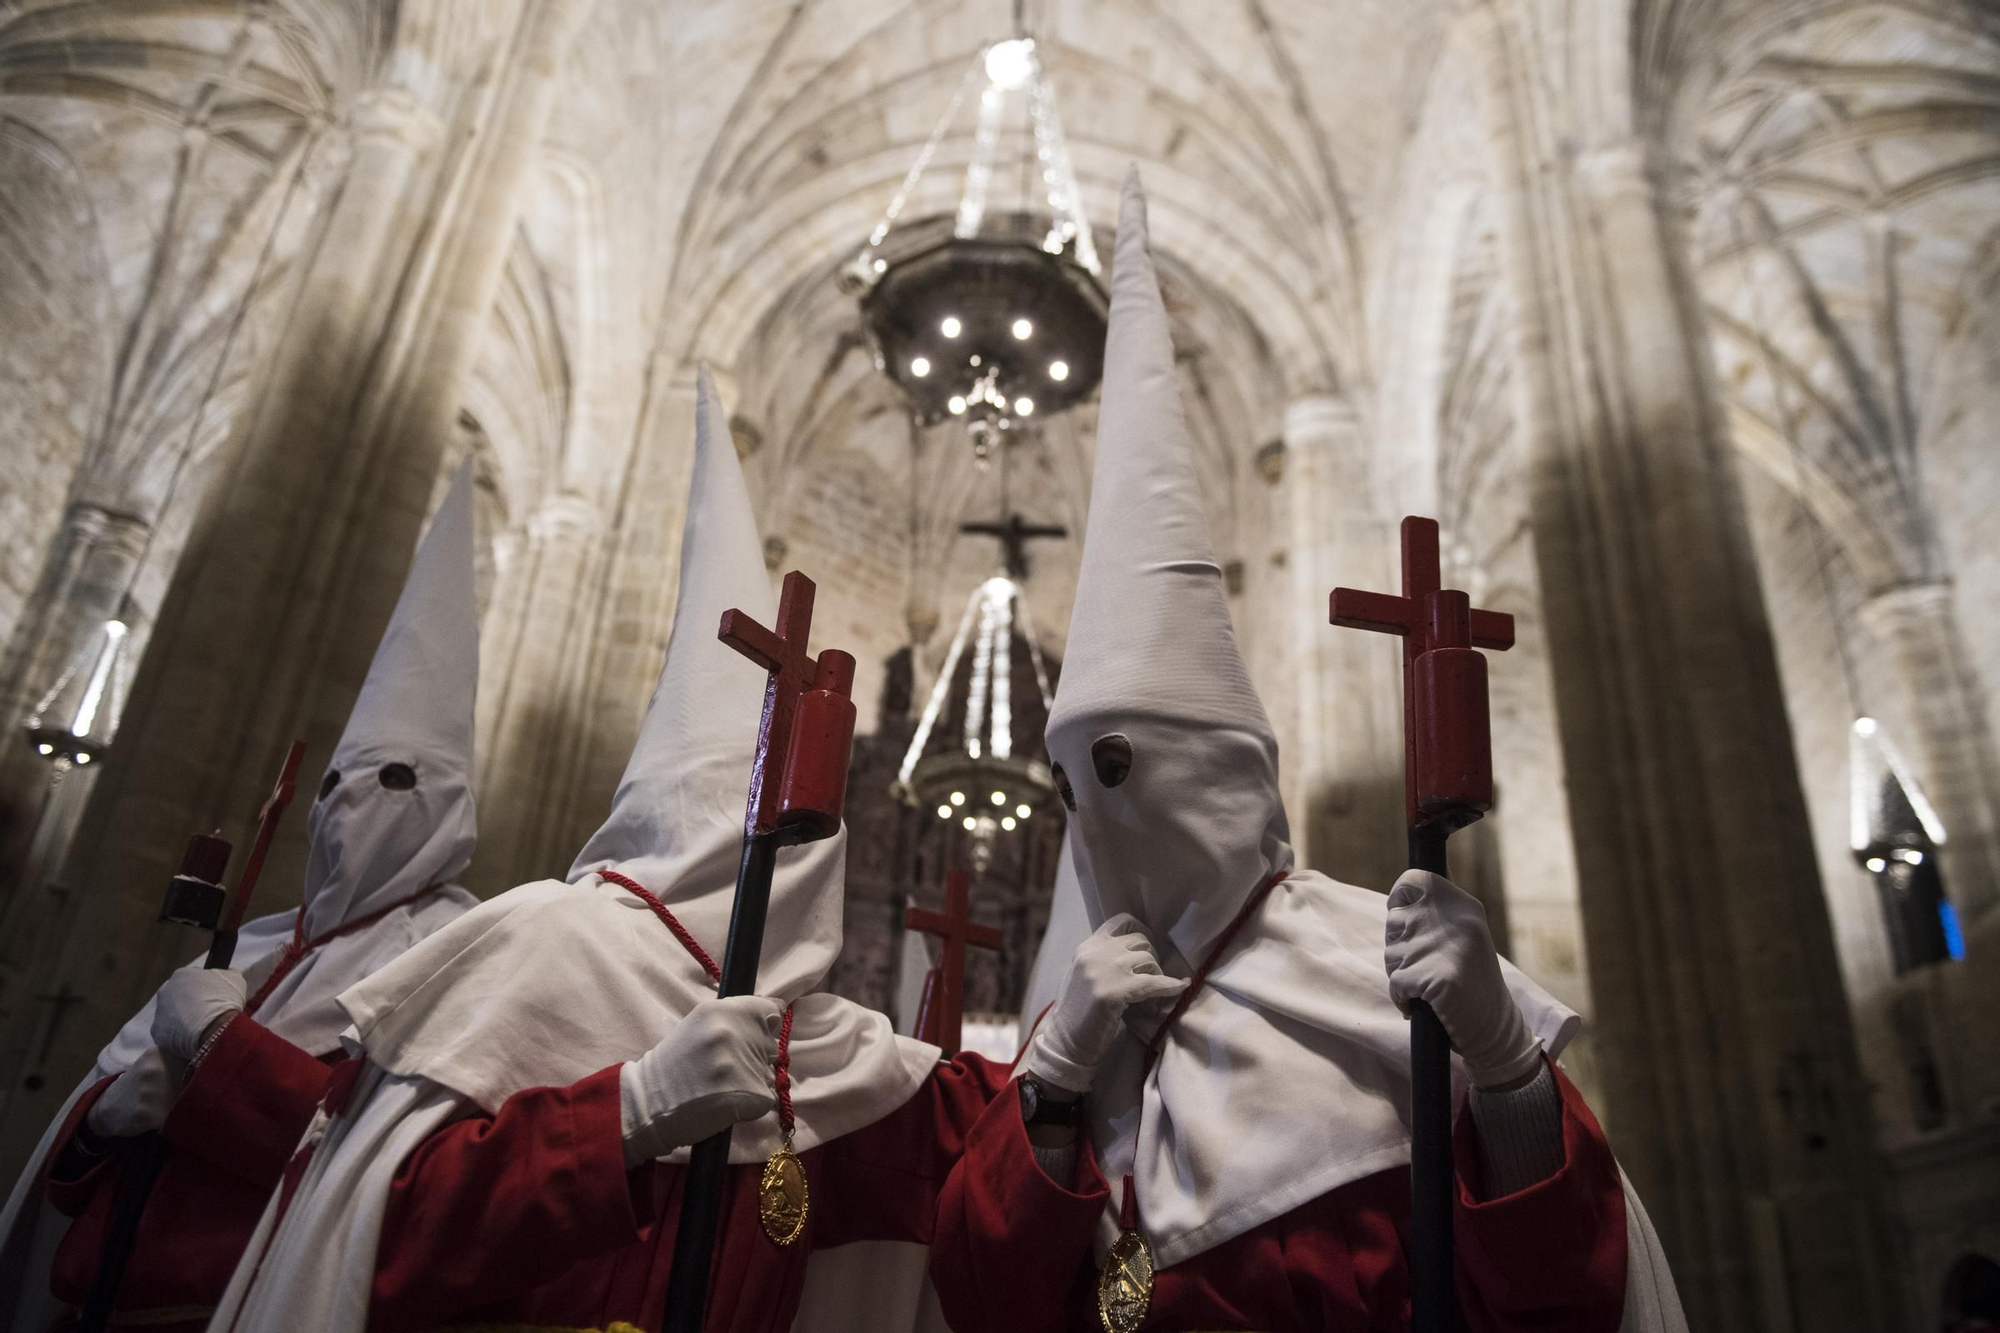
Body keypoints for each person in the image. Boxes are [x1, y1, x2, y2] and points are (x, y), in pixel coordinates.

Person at [928, 173, 1638, 1333]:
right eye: (1067, 785)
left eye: (1116, 767)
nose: (1093, 817)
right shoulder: (1085, 1008)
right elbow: (978, 1294)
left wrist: (1504, 1067)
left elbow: (1555, 1291)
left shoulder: (1374, 970)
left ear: (1215, 777)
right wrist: (1054, 1077)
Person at [211, 373, 1011, 1333]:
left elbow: (968, 1164)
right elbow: (383, 1230)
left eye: (812, 827)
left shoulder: (820, 1045)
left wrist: (1073, 1065)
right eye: (780, 820)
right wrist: (629, 1113)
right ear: (691, 810)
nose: (801, 851)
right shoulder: (538, 943)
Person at [0, 466, 486, 1333]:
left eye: (397, 781)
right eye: (334, 782)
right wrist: (100, 1125)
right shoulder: (252, 945)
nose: (347, 804)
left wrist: (220, 1059)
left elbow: (385, 1174)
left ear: (450, 808)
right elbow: (71, 1169)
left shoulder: (457, 954)